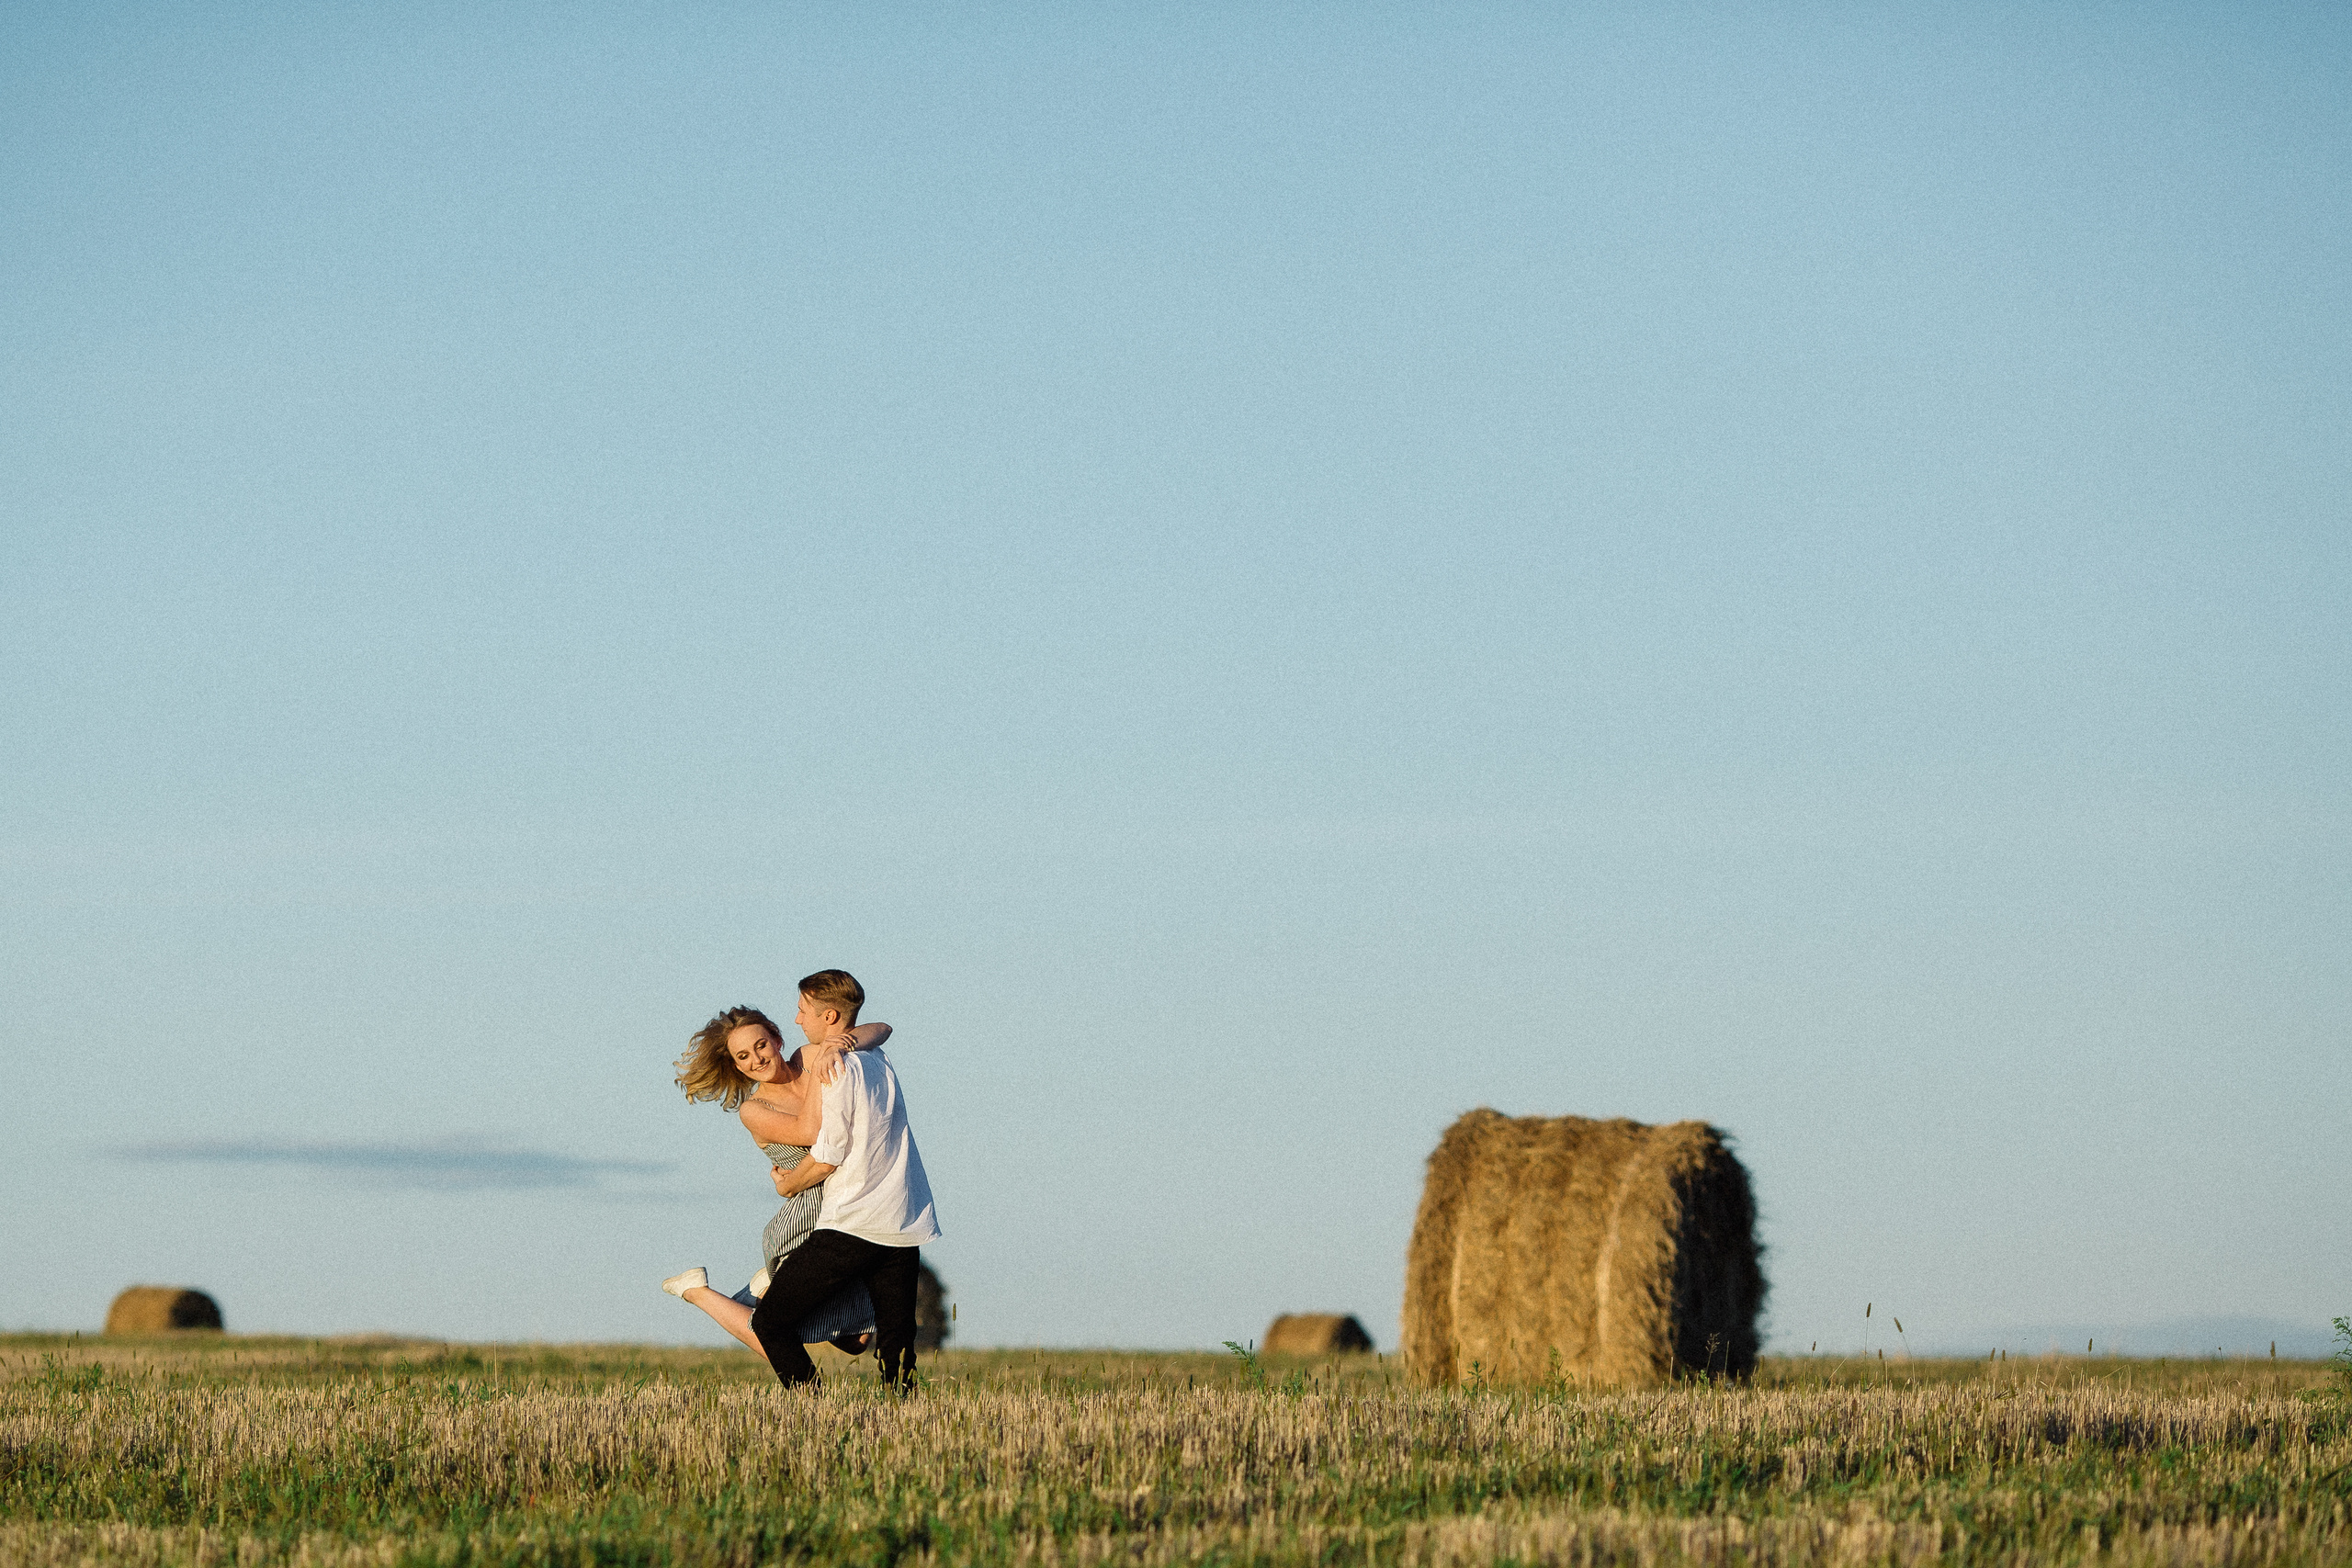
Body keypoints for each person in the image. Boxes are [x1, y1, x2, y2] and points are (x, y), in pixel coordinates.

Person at [751, 968, 939, 1391]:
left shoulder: (836, 1068)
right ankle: (900, 1413)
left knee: (770, 1322)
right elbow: (882, 1029)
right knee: (896, 1336)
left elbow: (827, 1156)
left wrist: (788, 1184)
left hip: (854, 1221)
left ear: (831, 1017)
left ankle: (815, 1404)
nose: (798, 1020)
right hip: (904, 1219)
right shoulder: (878, 1061)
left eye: (803, 1011)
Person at [662, 1003, 885, 1359]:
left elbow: (882, 1029)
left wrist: (838, 1044)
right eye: (743, 1056)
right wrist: (790, 1183)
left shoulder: (812, 1054)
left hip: (849, 1205)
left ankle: (763, 1288)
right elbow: (810, 1131)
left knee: (856, 1341)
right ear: (736, 1065)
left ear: (778, 1039)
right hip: (808, 1221)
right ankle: (698, 1291)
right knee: (778, 1333)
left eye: (761, 1046)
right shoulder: (755, 1110)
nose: (757, 1060)